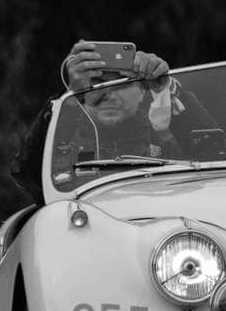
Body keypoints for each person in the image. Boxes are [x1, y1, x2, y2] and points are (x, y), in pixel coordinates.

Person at [11, 40, 209, 201]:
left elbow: (213, 160)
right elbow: (28, 177)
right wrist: (69, 98)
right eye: (96, 84)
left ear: (142, 91)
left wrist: (169, 90)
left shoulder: (165, 140)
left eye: (121, 84)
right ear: (82, 94)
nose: (109, 95)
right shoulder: (66, 142)